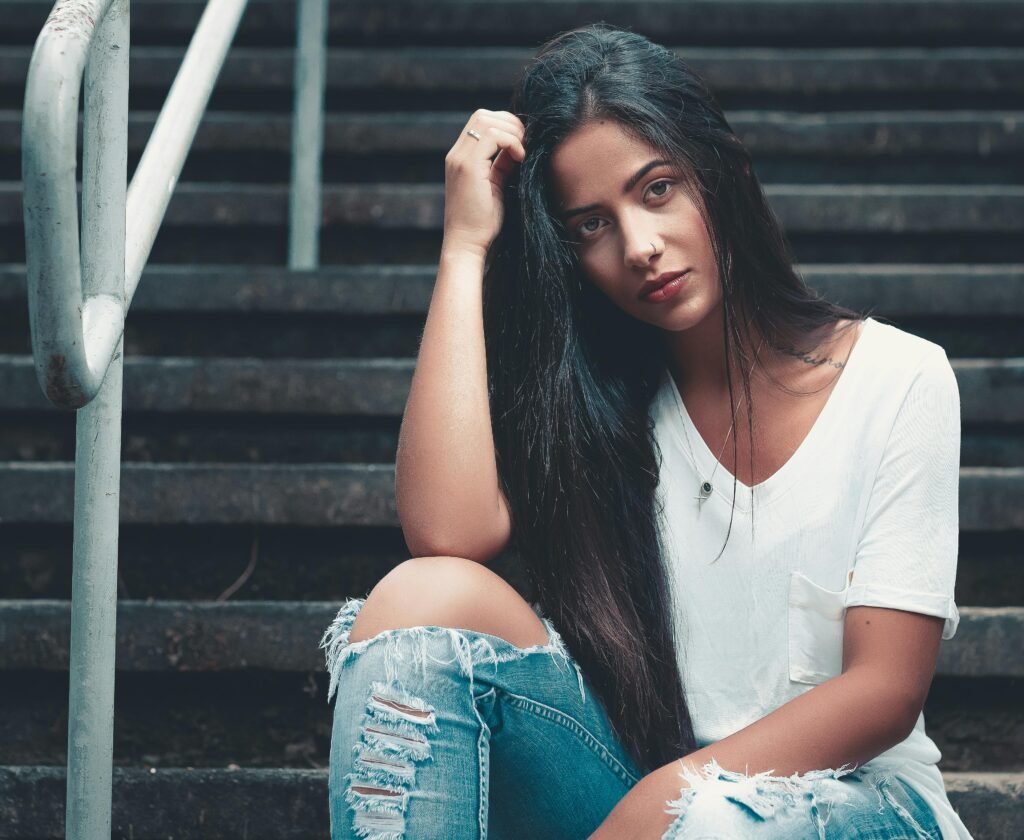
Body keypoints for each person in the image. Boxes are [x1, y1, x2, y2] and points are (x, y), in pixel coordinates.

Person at [320, 23, 971, 840]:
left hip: (858, 805)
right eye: (591, 224)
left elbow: (884, 691)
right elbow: (447, 534)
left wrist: (654, 810)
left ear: (721, 174)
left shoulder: (898, 377)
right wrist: (464, 247)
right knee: (417, 601)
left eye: (657, 189)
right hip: (652, 795)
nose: (639, 247)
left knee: (714, 823)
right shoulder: (604, 405)